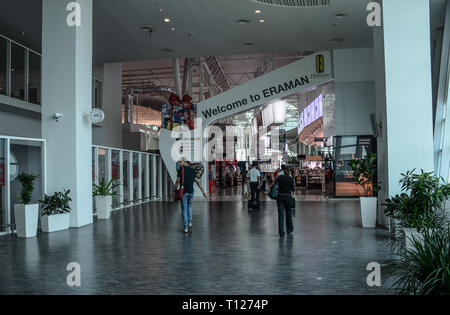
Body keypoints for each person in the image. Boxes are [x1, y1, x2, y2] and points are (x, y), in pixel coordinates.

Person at [173, 159, 207, 233]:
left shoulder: (181, 170)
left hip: (184, 193)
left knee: (184, 209)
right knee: (189, 206)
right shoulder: (192, 170)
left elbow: (178, 181)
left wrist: (174, 189)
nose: (179, 163)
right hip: (191, 192)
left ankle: (185, 227)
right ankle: (190, 222)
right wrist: (203, 192)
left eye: (180, 162)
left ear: (184, 162)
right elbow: (198, 182)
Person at [274, 164, 295, 238]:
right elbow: (293, 189)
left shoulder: (279, 178)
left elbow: (275, 185)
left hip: (280, 197)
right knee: (288, 214)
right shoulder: (290, 179)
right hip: (288, 197)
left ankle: (281, 232)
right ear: (288, 172)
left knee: (281, 215)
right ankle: (289, 230)